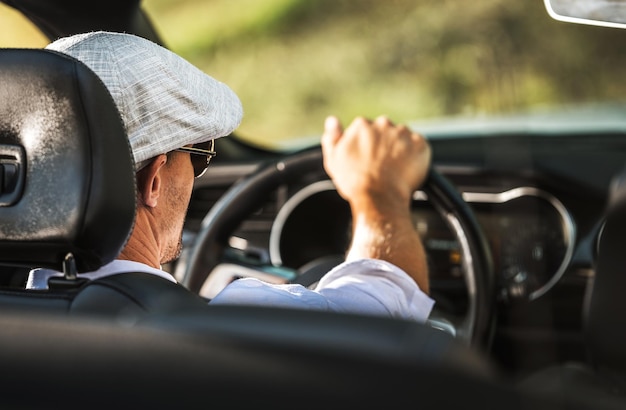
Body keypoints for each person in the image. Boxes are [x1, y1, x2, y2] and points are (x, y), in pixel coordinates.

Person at [27, 31, 434, 322]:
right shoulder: (233, 333)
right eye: (198, 156)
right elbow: (388, 302)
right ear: (153, 180)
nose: (197, 175)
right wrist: (378, 191)